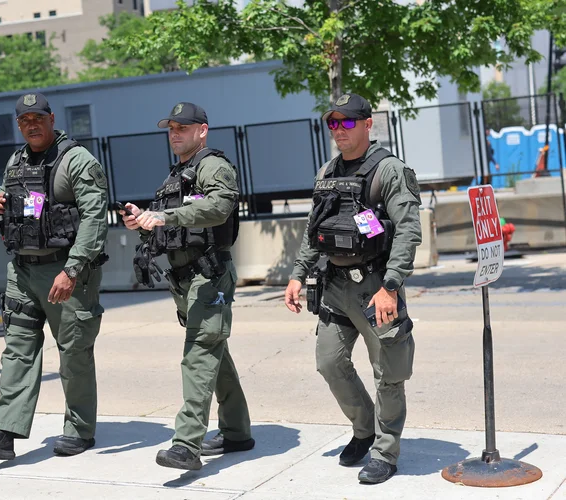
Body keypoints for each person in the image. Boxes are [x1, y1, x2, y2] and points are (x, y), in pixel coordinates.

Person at [0, 92, 109, 460]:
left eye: (38, 118)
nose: (32, 125)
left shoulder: (76, 160)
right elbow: (12, 198)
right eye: (25, 120)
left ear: (52, 118)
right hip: (22, 270)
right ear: (19, 124)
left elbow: (94, 218)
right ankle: (3, 432)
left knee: (73, 353)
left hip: (65, 271)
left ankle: (79, 429)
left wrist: (72, 269)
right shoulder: (17, 159)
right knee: (17, 351)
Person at [284, 93, 422, 484]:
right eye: (332, 123)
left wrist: (392, 286)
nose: (338, 130)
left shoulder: (389, 170)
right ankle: (365, 430)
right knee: (329, 362)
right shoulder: (327, 171)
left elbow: (409, 232)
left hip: (377, 285)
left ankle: (385, 450)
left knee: (388, 373)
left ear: (367, 124)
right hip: (336, 285)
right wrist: (297, 274)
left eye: (346, 122)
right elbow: (315, 230)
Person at [120, 102, 254, 471]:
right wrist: (143, 218)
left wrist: (165, 215)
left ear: (202, 130)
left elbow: (219, 207)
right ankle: (238, 432)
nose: (175, 133)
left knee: (199, 353)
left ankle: (186, 444)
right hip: (185, 279)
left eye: (182, 127)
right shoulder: (179, 172)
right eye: (171, 128)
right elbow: (171, 218)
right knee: (213, 350)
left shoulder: (213, 166)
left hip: (208, 277)